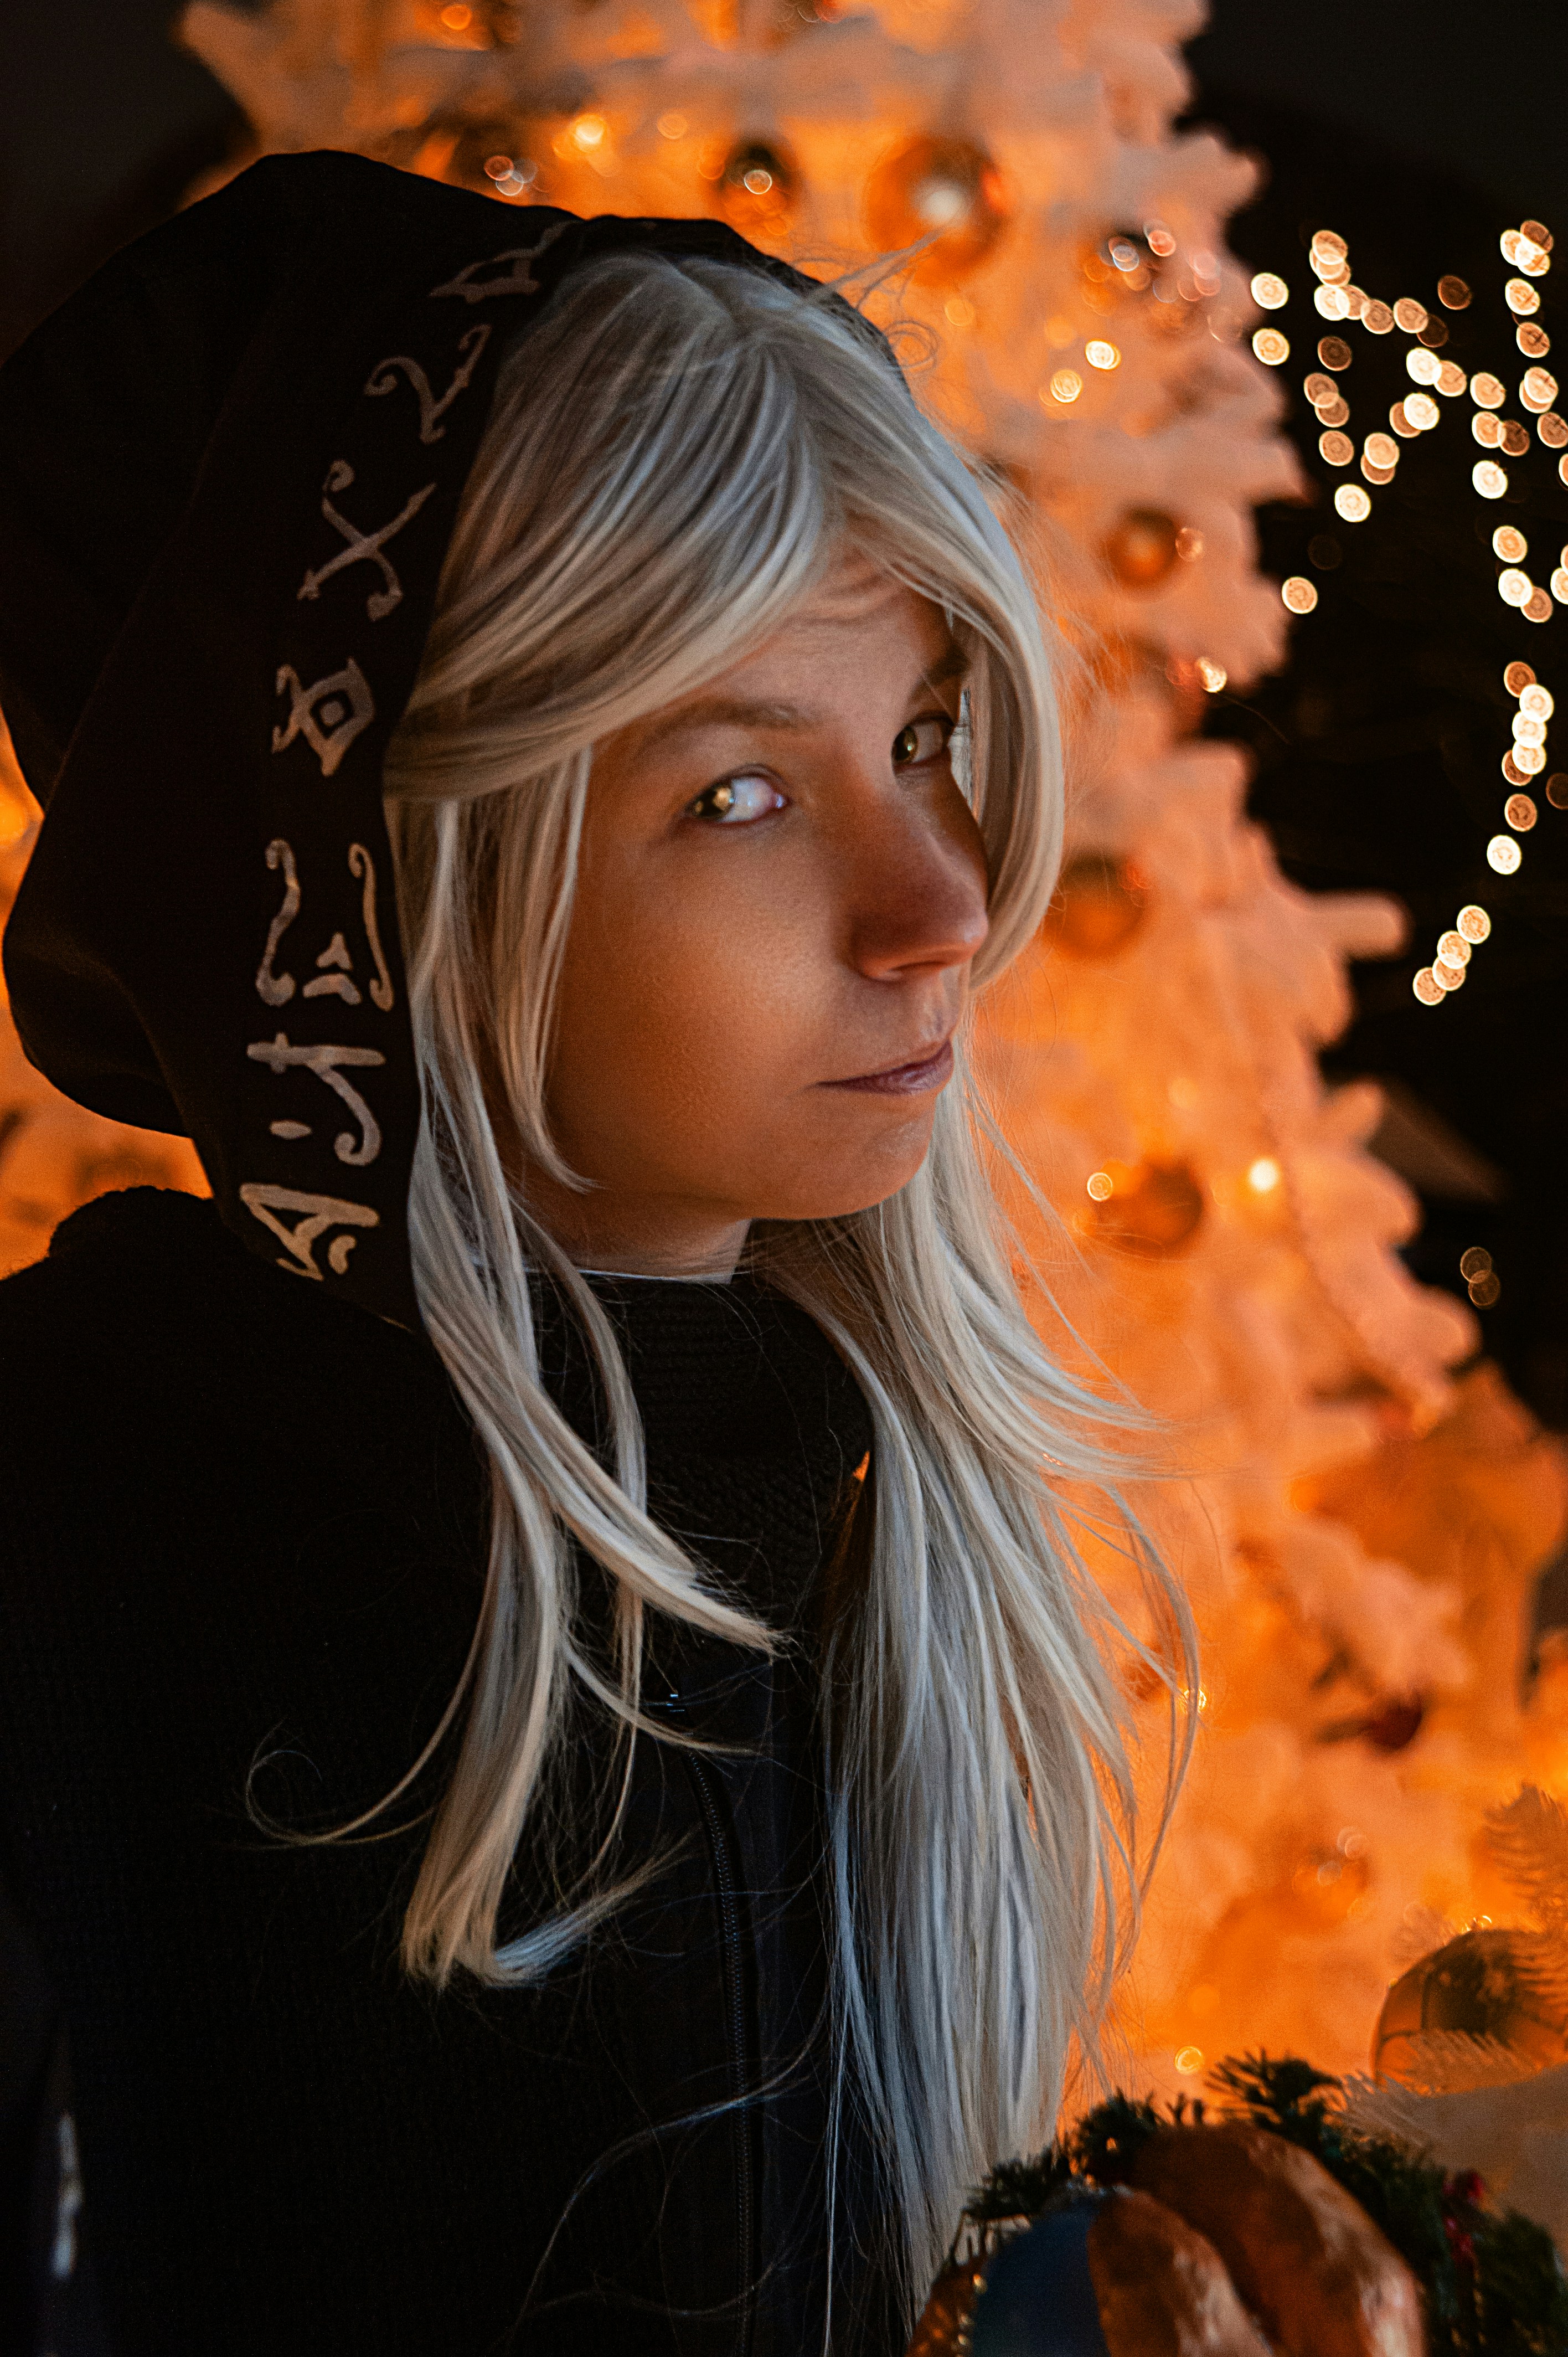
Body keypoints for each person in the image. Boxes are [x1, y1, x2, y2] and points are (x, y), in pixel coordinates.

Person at [0, 152, 1187, 2354]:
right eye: (741, 791)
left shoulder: (841, 1530)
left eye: (924, 736)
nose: (944, 902)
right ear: (385, 883)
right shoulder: (75, 1574)